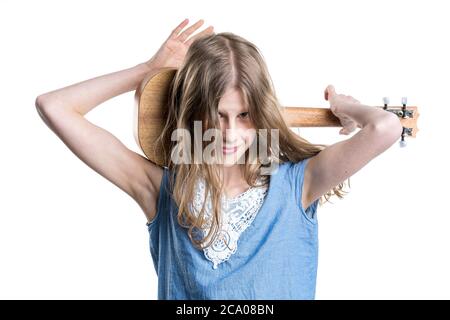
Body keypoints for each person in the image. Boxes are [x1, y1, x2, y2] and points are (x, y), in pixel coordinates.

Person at [35, 18, 403, 299]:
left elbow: (386, 127)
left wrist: (346, 106)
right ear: (194, 114)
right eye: (217, 114)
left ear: (261, 113)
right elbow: (55, 106)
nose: (229, 132)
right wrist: (147, 72)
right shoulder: (160, 188)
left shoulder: (300, 184)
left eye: (244, 115)